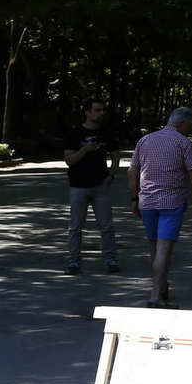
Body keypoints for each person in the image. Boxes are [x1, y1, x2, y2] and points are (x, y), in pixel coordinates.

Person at [130, 108, 192, 307]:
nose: (191, 131)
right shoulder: (184, 143)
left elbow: (133, 170)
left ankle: (161, 286)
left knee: (154, 246)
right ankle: (155, 297)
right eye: (190, 126)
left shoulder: (145, 140)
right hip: (171, 203)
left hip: (147, 201)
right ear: (181, 123)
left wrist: (134, 197)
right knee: (164, 249)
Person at [63, 99, 121, 275]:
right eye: (97, 110)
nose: (101, 113)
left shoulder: (106, 133)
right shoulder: (75, 133)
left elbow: (116, 156)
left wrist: (111, 175)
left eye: (102, 110)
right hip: (78, 186)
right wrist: (85, 150)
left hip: (100, 185)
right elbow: (69, 160)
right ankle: (74, 262)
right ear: (87, 113)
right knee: (75, 227)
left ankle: (111, 260)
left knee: (106, 226)